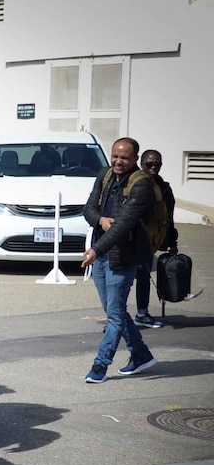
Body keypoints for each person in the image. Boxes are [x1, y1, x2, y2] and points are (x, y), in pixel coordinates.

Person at [81, 137, 157, 383]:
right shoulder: (105, 175)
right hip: (101, 254)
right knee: (116, 312)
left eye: (124, 157)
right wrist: (100, 220)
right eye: (115, 156)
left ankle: (100, 365)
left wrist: (95, 250)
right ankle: (141, 354)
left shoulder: (142, 184)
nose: (118, 161)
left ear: (135, 159)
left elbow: (123, 225)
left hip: (123, 257)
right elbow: (89, 209)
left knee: (114, 315)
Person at [132, 149, 179, 328]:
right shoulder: (134, 182)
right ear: (141, 163)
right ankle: (117, 317)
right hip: (132, 238)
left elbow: (169, 217)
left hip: (151, 240)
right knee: (125, 279)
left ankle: (142, 313)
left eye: (157, 164)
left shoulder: (164, 187)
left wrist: (172, 242)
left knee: (143, 275)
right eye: (149, 163)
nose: (153, 166)